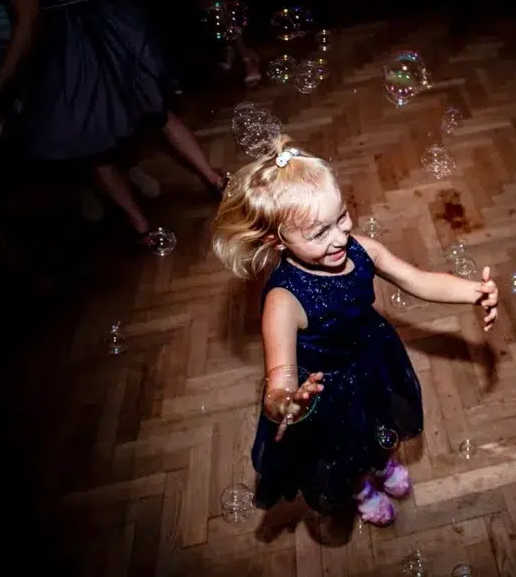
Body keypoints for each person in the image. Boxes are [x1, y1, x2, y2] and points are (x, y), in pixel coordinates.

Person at [211, 138, 500, 525]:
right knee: (341, 448)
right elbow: (278, 381)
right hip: (327, 389)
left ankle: (379, 466)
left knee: (378, 426)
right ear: (274, 240)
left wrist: (473, 293)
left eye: (342, 217)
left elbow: (418, 280)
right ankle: (360, 489)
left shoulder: (360, 249)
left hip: (374, 359)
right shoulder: (283, 301)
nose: (339, 237)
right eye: (318, 232)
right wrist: (287, 402)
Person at [0, 0, 227, 245]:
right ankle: (208, 184)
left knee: (97, 134)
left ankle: (157, 216)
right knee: (139, 115)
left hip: (72, 30)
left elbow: (27, 15)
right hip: (111, 19)